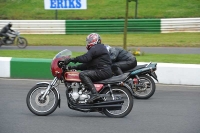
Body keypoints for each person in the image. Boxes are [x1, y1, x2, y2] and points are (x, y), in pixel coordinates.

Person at [64, 33, 113, 103]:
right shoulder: (97, 49)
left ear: (95, 40)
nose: (88, 42)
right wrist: (74, 67)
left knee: (83, 74)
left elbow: (85, 58)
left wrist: (72, 59)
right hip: (102, 70)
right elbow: (87, 64)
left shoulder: (96, 48)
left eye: (90, 41)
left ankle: (95, 94)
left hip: (103, 71)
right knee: (84, 73)